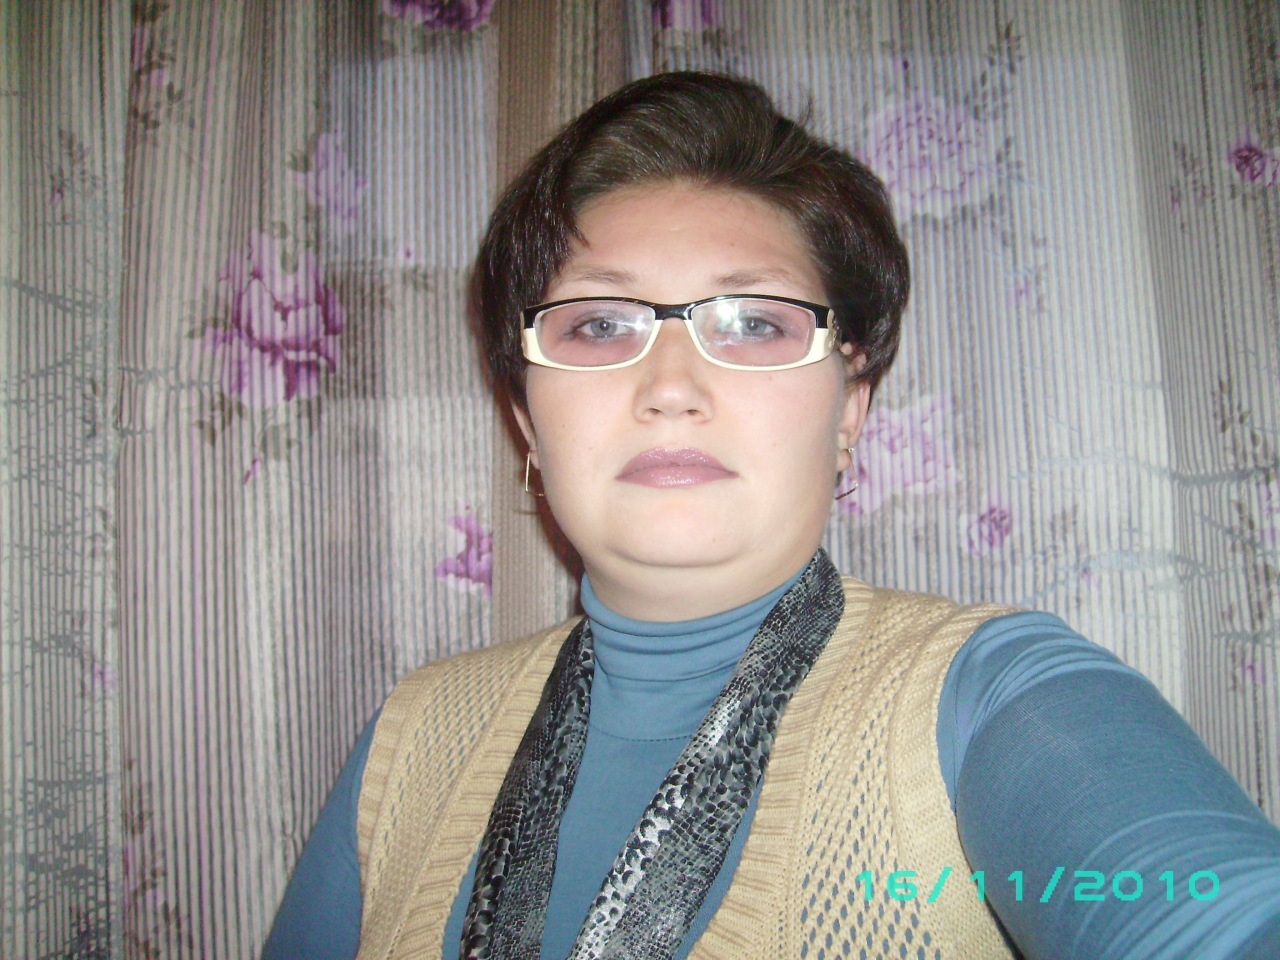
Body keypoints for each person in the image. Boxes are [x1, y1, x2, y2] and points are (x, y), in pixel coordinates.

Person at [264, 72, 1280, 960]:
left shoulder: (993, 700)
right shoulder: (412, 736)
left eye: (752, 323)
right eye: (599, 324)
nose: (671, 385)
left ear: (850, 409)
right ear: (527, 421)